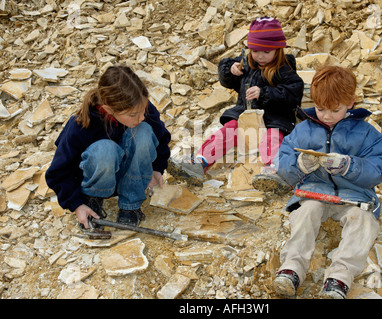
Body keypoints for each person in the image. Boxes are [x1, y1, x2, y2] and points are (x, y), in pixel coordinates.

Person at [272, 65, 382, 299]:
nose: (326, 116)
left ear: (350, 102)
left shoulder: (367, 133)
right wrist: (299, 165)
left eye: (334, 110)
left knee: (362, 222)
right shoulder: (304, 129)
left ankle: (339, 278)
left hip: (354, 196)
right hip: (314, 193)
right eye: (320, 109)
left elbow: (380, 166)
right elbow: (283, 158)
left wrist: (350, 166)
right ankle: (291, 269)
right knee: (306, 214)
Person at [167, 17, 304, 190]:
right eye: (255, 50)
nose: (260, 56)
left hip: (274, 119)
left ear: (278, 50)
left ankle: (273, 172)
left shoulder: (285, 69)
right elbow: (227, 80)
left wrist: (264, 93)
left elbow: (293, 93)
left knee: (272, 139)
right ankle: (199, 163)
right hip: (244, 117)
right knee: (227, 131)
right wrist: (231, 70)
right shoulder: (247, 63)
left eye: (266, 52)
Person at [45, 65, 171, 228]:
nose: (141, 117)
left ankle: (130, 207)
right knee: (105, 150)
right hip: (97, 182)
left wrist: (156, 169)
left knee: (144, 132)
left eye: (143, 111)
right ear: (108, 109)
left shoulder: (140, 108)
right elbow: (59, 172)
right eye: (133, 115)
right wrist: (76, 204)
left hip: (133, 179)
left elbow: (161, 138)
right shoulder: (81, 125)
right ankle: (92, 202)